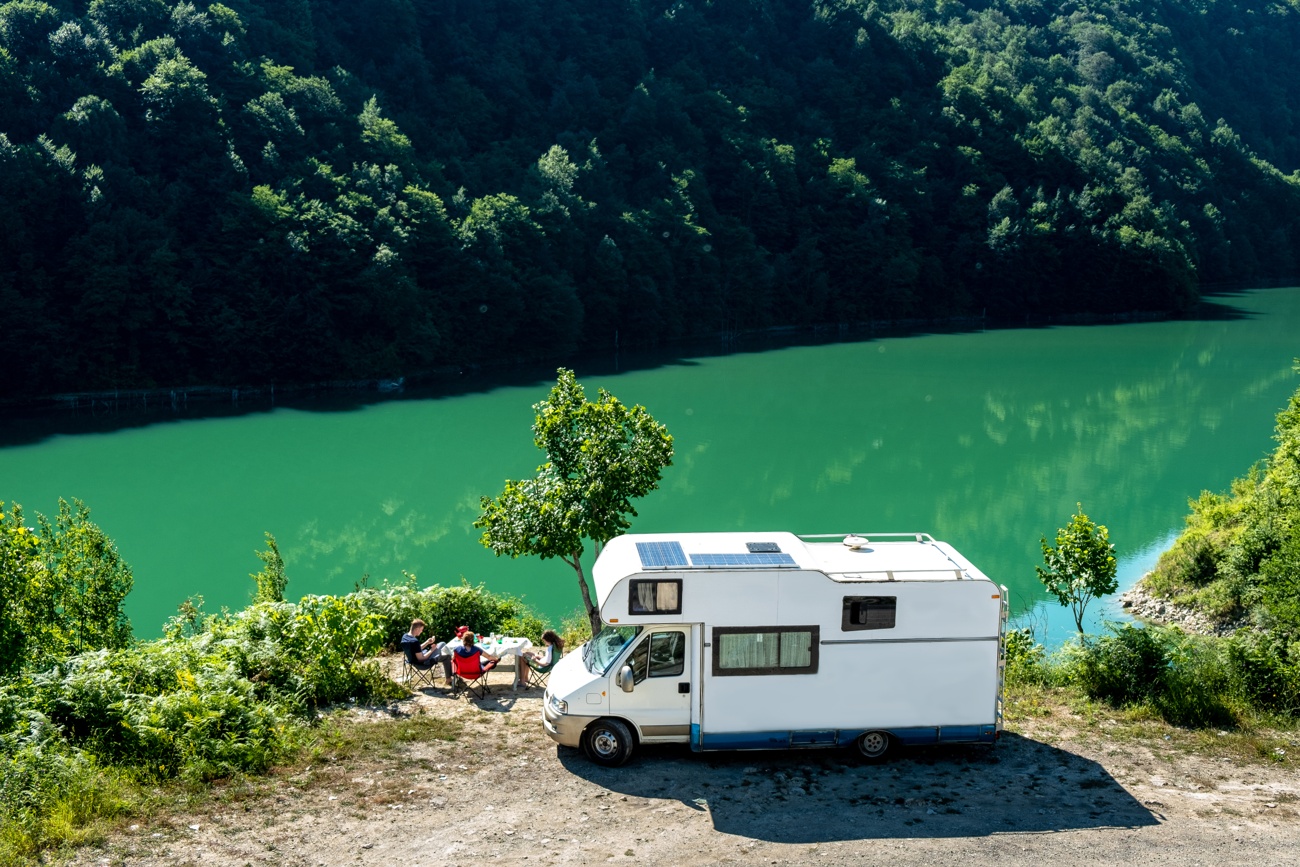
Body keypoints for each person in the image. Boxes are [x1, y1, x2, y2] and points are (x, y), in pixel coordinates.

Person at [400, 618, 453, 684]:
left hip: (412, 661)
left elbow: (416, 649)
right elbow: (421, 659)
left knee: (444, 648)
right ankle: (450, 677)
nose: (421, 631)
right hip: (423, 664)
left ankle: (449, 678)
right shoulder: (414, 641)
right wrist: (432, 650)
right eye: (421, 630)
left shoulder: (405, 637)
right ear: (417, 629)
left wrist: (427, 642)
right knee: (445, 650)